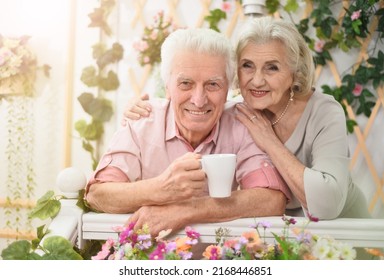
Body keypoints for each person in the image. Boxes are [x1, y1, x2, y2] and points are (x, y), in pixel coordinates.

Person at [124, 16, 370, 220]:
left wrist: (270, 142)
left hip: (346, 232)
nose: (257, 80)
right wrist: (140, 111)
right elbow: (187, 100)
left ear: (296, 73)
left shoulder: (324, 112)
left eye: (272, 67)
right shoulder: (236, 112)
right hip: (289, 234)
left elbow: (326, 205)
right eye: (247, 66)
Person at [85, 27, 291, 237]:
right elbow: (98, 194)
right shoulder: (142, 120)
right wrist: (161, 188)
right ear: (167, 86)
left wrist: (186, 211)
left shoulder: (242, 123)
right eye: (185, 83)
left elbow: (272, 199)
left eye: (213, 84)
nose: (199, 100)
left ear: (228, 88)